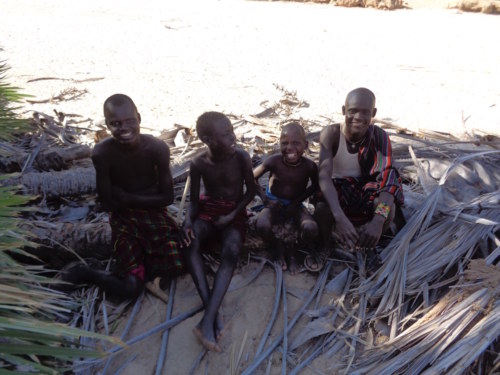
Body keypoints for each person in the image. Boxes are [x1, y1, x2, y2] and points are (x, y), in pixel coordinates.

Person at [62, 94, 184, 301]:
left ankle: (145, 266)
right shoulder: (102, 153)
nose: (124, 128)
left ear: (139, 118)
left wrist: (126, 197)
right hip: (124, 222)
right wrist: (142, 197)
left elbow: (167, 198)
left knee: (178, 264)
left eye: (130, 121)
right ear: (107, 125)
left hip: (154, 217)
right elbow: (108, 203)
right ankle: (87, 272)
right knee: (129, 288)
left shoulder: (157, 148)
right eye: (115, 123)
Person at [181, 111, 256, 352]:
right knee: (189, 242)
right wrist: (187, 222)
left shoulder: (241, 157)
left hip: (233, 214)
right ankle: (210, 313)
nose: (233, 137)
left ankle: (207, 320)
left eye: (232, 131)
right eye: (226, 135)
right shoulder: (198, 163)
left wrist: (232, 216)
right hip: (208, 212)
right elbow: (194, 202)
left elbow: (251, 192)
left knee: (232, 249)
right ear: (207, 139)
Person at [308, 87, 404, 271]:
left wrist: (378, 220)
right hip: (337, 195)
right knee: (321, 205)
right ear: (344, 110)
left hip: (364, 193)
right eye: (352, 111)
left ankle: (367, 246)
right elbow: (324, 176)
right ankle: (326, 243)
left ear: (373, 113)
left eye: (365, 112)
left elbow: (387, 177)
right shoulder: (331, 134)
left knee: (387, 207)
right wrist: (339, 218)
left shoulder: (379, 136)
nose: (358, 117)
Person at [253, 122, 319, 275]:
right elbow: (251, 178)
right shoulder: (273, 161)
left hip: (295, 205)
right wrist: (265, 199)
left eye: (296, 143)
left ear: (306, 145)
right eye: (284, 143)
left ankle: (293, 249)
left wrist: (296, 203)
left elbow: (315, 186)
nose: (289, 147)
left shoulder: (309, 166)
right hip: (273, 202)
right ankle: (277, 248)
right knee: (262, 225)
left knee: (311, 228)